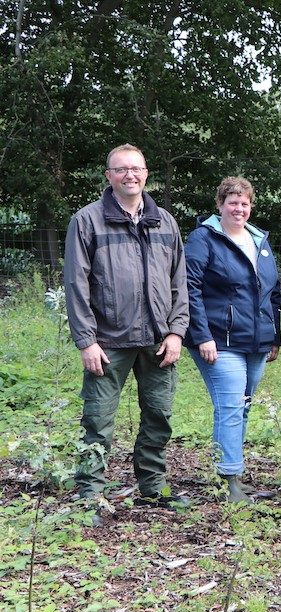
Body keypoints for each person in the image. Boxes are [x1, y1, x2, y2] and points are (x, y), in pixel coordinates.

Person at [64, 143, 189, 525]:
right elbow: (76, 283)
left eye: (136, 168)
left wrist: (176, 332)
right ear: (109, 176)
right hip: (107, 342)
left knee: (159, 415)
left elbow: (178, 282)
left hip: (157, 340)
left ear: (146, 173)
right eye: (121, 169)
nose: (129, 175)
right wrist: (86, 340)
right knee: (98, 420)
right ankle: (90, 495)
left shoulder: (164, 222)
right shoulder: (87, 221)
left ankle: (152, 487)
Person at [184, 177, 281, 504]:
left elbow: (273, 293)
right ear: (220, 204)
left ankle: (231, 473)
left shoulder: (259, 241)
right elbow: (189, 289)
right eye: (232, 202)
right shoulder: (203, 238)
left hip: (256, 340)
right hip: (218, 340)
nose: (239, 209)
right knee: (231, 405)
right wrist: (202, 336)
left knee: (243, 406)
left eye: (245, 203)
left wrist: (275, 336)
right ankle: (229, 480)